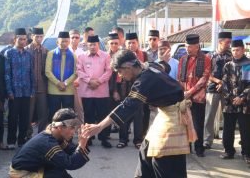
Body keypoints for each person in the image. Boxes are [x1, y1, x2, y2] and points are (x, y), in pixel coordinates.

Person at [83, 49, 194, 178]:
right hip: (165, 115)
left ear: (129, 67)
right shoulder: (149, 66)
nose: (120, 76)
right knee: (145, 151)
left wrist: (99, 126)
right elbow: (164, 66)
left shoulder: (144, 81)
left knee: (163, 160)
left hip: (174, 119)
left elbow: (126, 106)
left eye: (120, 71)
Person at [9, 108, 89, 178]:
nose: (74, 131)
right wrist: (81, 144)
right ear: (60, 127)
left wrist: (84, 139)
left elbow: (72, 151)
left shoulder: (55, 134)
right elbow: (70, 163)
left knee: (58, 169)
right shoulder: (47, 142)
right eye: (72, 127)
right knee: (58, 174)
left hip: (35, 168)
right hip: (21, 174)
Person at [178, 34, 211, 157]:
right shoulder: (183, 59)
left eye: (190, 46)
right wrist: (183, 92)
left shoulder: (206, 58)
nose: (187, 49)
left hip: (198, 97)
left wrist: (189, 92)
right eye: (186, 46)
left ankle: (199, 148)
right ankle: (187, 147)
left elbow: (204, 79)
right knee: (185, 123)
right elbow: (180, 77)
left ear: (197, 46)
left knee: (198, 124)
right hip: (184, 95)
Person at [77, 35, 112, 148]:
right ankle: (89, 138)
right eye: (90, 44)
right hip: (87, 92)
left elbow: (109, 71)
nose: (92, 46)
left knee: (103, 115)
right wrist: (89, 81)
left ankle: (104, 138)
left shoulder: (106, 56)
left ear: (98, 45)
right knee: (88, 115)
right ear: (87, 45)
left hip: (102, 92)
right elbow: (79, 71)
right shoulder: (82, 57)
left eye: (94, 44)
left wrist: (98, 81)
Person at [220, 40, 250, 165]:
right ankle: (229, 151)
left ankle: (247, 153)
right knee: (228, 128)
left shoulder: (248, 64)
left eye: (237, 50)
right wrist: (232, 98)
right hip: (230, 103)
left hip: (245, 103)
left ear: (243, 50)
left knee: (245, 130)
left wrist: (242, 97)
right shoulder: (228, 65)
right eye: (233, 50)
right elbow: (224, 83)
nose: (235, 52)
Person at [5, 28, 35, 149]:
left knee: (24, 117)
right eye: (20, 39)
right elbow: (7, 74)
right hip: (14, 92)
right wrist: (9, 91)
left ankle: (21, 140)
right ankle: (11, 141)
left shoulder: (28, 54)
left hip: (26, 91)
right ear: (15, 39)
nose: (23, 41)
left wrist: (32, 90)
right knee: (12, 117)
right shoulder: (9, 53)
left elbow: (31, 73)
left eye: (24, 39)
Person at [203, 32, 232, 149]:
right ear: (220, 42)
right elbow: (206, 73)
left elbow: (233, 73)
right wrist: (218, 81)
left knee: (228, 116)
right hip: (212, 89)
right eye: (227, 42)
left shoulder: (231, 56)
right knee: (209, 116)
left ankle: (226, 142)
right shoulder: (210, 56)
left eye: (230, 42)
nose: (229, 45)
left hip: (227, 90)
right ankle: (207, 140)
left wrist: (223, 83)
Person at [118, 33, 146, 148]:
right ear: (125, 43)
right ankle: (123, 140)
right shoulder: (122, 56)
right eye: (129, 43)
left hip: (140, 89)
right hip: (125, 89)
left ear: (137, 43)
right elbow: (116, 74)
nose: (131, 45)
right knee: (124, 114)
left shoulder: (144, 55)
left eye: (133, 42)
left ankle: (138, 140)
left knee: (139, 117)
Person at [45, 31, 77, 122]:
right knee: (53, 114)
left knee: (69, 115)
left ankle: (68, 135)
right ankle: (53, 134)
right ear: (57, 42)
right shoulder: (51, 54)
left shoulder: (73, 56)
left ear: (69, 42)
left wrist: (65, 83)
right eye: (62, 41)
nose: (64, 43)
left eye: (66, 41)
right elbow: (47, 71)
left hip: (68, 90)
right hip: (54, 89)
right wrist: (58, 83)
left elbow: (76, 72)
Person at [25, 28, 49, 136]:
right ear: (32, 36)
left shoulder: (46, 51)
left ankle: (41, 135)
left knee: (43, 113)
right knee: (28, 113)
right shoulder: (26, 51)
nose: (39, 38)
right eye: (37, 36)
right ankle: (27, 133)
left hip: (42, 87)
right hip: (29, 87)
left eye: (41, 36)